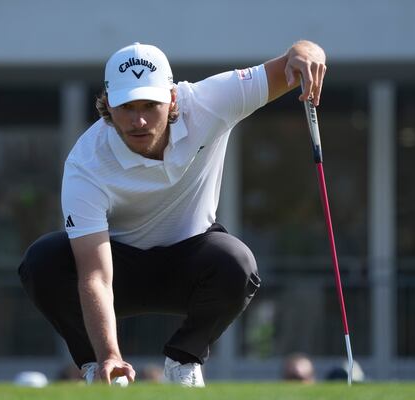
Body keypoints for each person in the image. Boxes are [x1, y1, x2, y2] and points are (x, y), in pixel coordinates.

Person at [19, 40, 326, 387]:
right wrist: (108, 353)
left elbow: (291, 64)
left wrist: (308, 51)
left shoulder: (210, 100)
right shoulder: (85, 164)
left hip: (191, 263)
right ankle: (98, 368)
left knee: (236, 261)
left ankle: (184, 360)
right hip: (119, 270)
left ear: (173, 98)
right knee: (42, 261)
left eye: (150, 105)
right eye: (126, 106)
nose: (139, 120)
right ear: (106, 105)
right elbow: (96, 276)